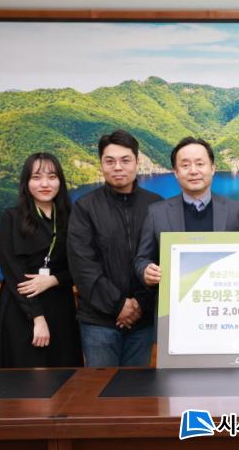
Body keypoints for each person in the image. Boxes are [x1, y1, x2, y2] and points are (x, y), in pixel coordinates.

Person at [67, 129, 162, 367]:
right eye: (110, 161)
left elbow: (161, 259)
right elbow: (83, 265)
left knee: (137, 387)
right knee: (100, 387)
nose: (117, 167)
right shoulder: (85, 207)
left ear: (137, 162)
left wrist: (139, 304)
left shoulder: (156, 205)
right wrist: (119, 305)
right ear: (101, 165)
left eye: (125, 160)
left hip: (143, 319)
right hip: (98, 322)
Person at [0, 152, 82, 368]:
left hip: (61, 307)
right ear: (26, 182)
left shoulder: (72, 217)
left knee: (65, 377)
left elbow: (81, 265)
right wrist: (37, 318)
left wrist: (54, 280)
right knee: (27, 380)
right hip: (22, 310)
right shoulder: (12, 217)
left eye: (52, 177)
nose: (45, 184)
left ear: (60, 181)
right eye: (36, 177)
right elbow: (14, 274)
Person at [135, 137, 239, 286]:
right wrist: (146, 271)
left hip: (221, 295)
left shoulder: (236, 210)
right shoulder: (156, 213)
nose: (193, 171)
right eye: (185, 165)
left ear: (212, 168)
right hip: (176, 297)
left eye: (200, 164)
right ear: (176, 172)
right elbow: (142, 259)